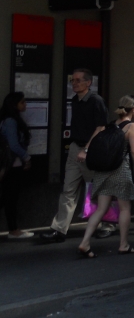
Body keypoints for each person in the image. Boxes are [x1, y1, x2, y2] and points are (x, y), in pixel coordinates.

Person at [39, 69, 108, 243]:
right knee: (68, 190)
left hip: (90, 149)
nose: (74, 83)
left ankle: (109, 223)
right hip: (75, 147)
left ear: (88, 83)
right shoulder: (74, 100)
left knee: (98, 189)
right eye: (73, 80)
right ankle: (59, 229)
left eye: (78, 80)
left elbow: (101, 127)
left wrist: (86, 149)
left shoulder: (96, 101)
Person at [77, 96, 134, 257]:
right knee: (124, 209)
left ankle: (85, 242)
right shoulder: (131, 127)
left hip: (103, 171)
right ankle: (123, 244)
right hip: (120, 170)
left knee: (101, 209)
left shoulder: (109, 126)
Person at [0, 92, 34, 239]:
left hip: (10, 164)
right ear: (14, 105)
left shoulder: (9, 120)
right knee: (10, 198)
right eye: (22, 102)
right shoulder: (11, 121)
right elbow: (14, 145)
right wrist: (26, 158)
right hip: (11, 165)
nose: (25, 104)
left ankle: (14, 229)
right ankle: (14, 230)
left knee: (8, 198)